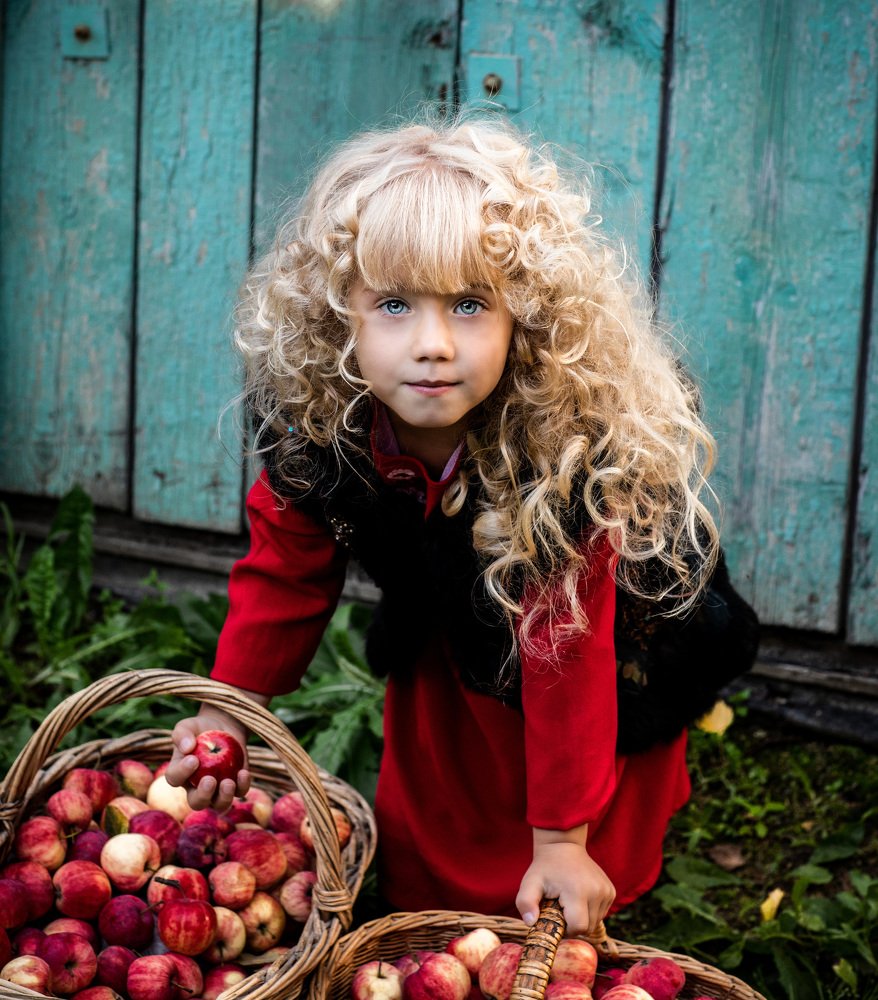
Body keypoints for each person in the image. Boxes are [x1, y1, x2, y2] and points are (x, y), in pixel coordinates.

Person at [166, 114, 730, 937]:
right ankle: (434, 911)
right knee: (440, 821)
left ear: (525, 319)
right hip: (448, 649)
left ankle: (573, 888)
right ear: (340, 316)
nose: (431, 345)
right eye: (393, 304)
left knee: (569, 849)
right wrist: (229, 711)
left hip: (590, 658)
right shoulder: (328, 427)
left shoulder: (560, 456)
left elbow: (566, 656)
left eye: (470, 305)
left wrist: (563, 840)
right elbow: (285, 563)